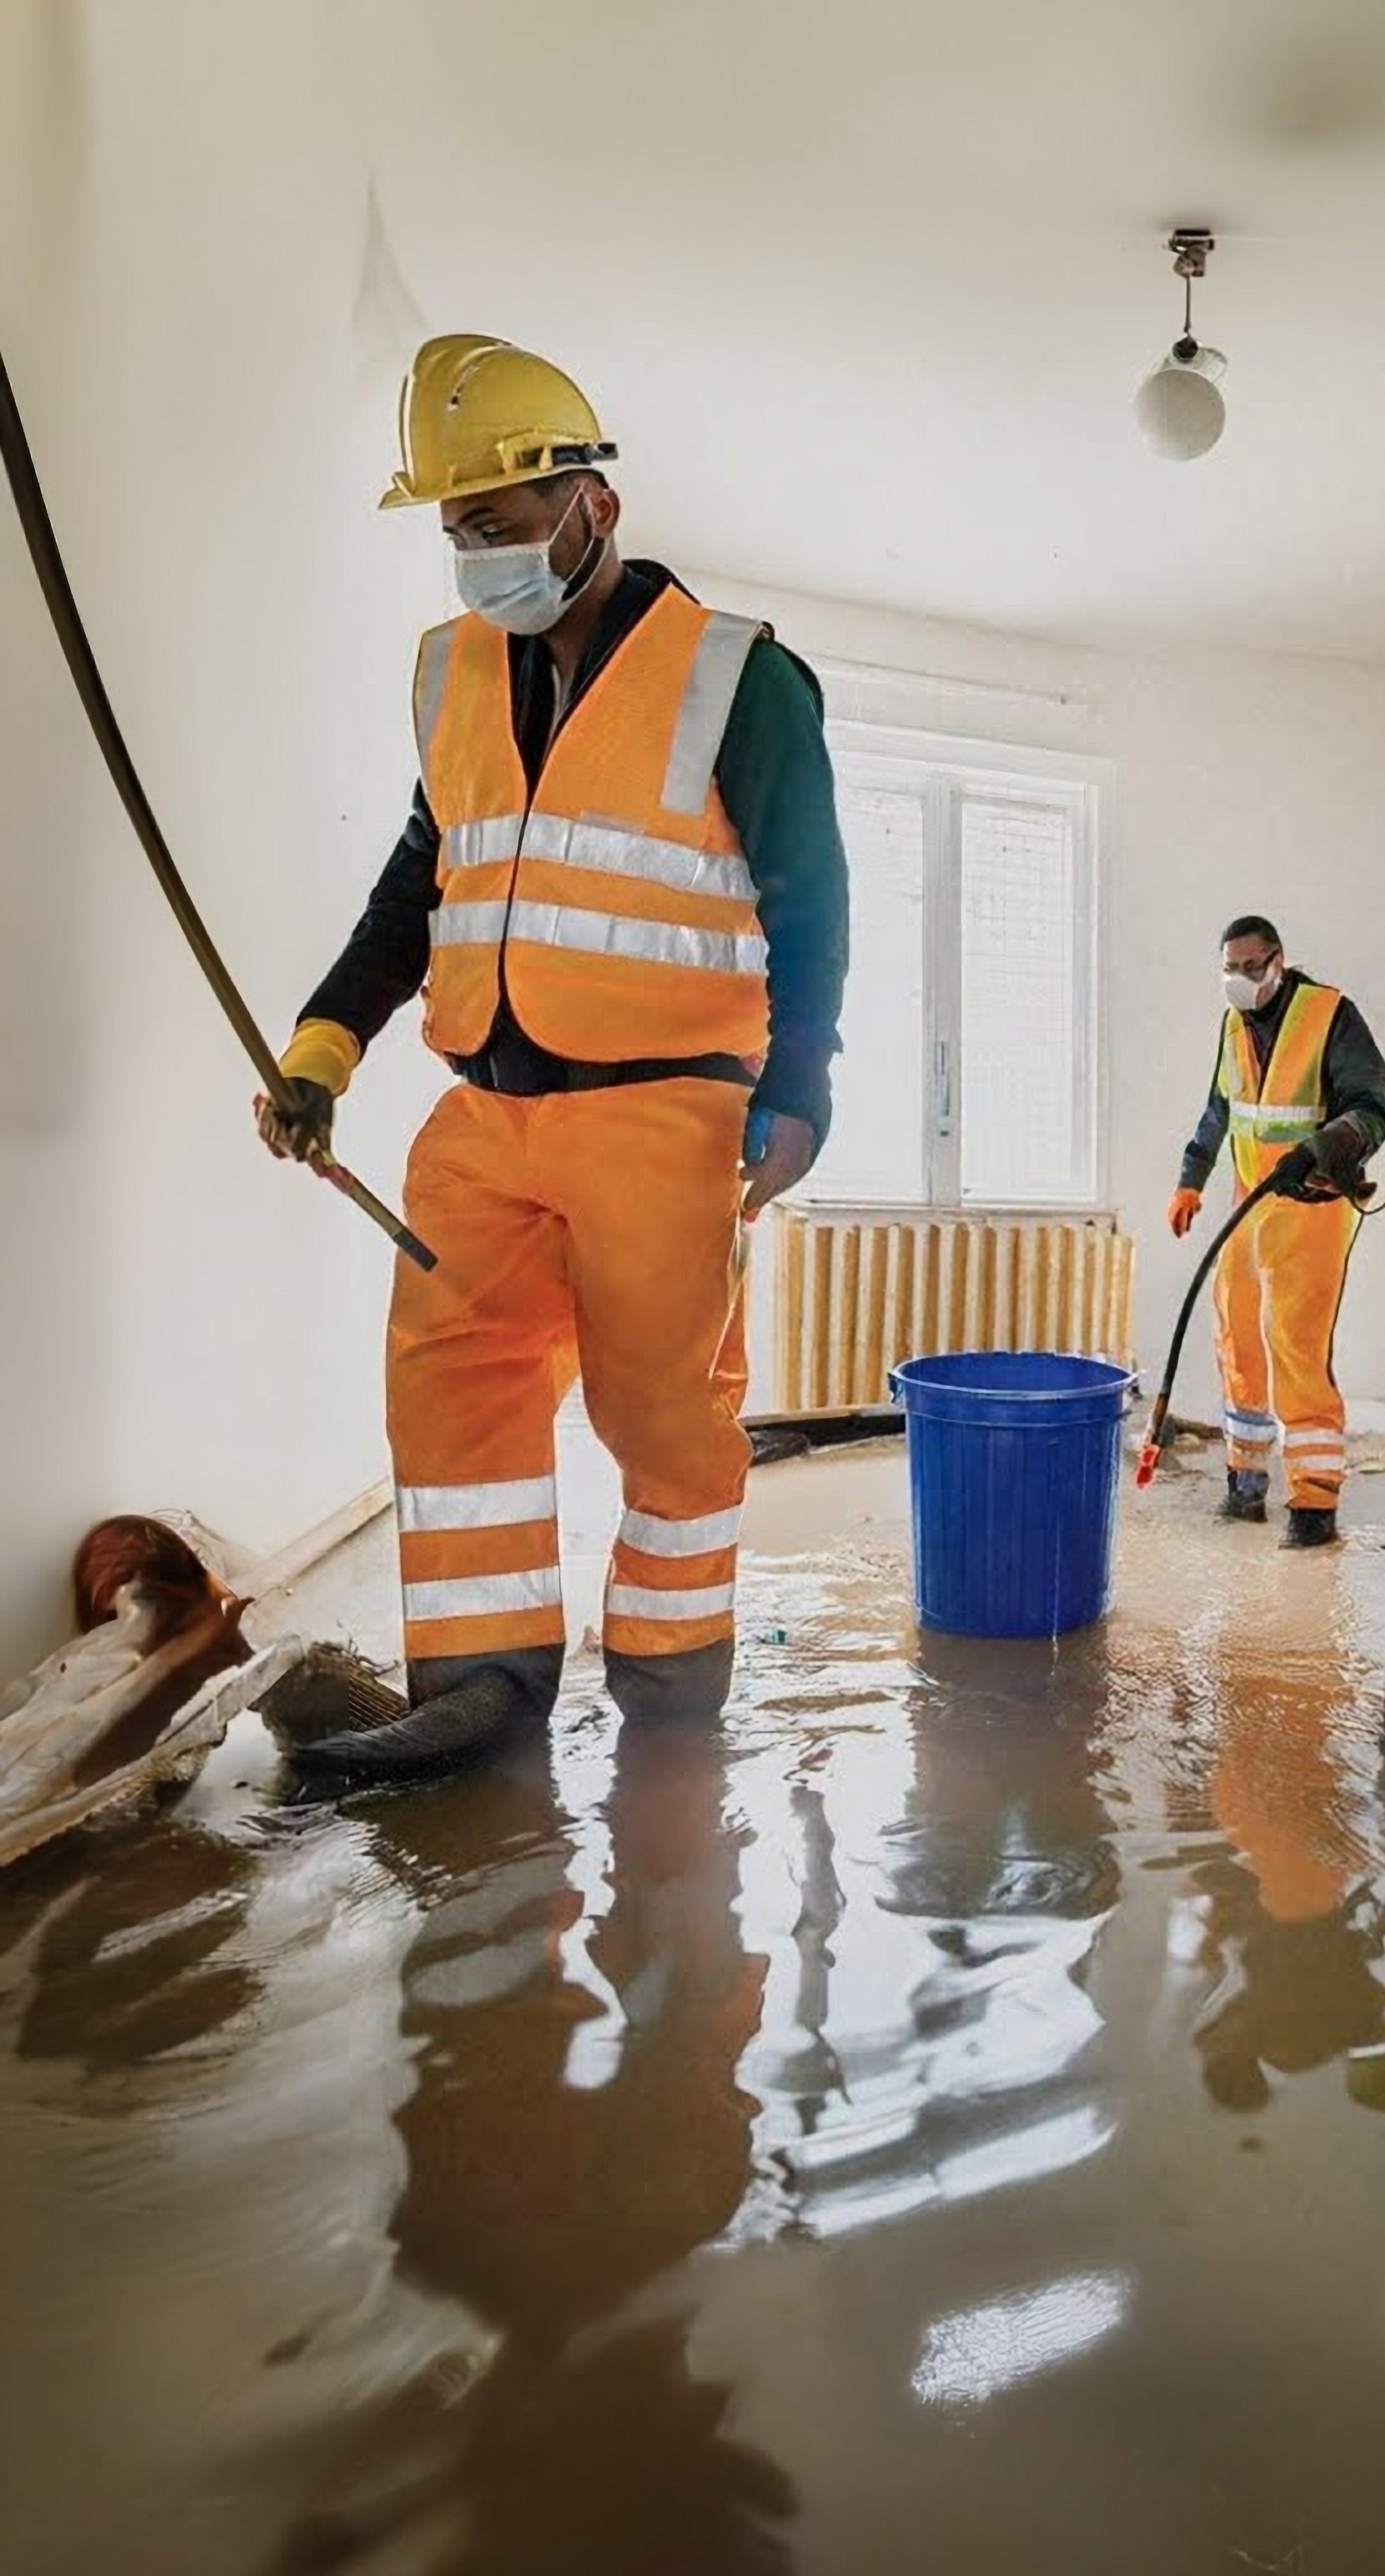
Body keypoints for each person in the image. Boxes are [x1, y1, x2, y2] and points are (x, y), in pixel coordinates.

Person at [255, 334, 849, 1745]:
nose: (480, 556)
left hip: (666, 1115)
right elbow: (420, 884)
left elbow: (810, 892)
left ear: (595, 507)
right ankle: (478, 1686)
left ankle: (665, 1676)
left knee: (663, 1416)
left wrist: (803, 1082)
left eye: (505, 527)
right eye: (460, 532)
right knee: (453, 1389)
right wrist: (324, 1045)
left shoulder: (735, 675)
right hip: (487, 1112)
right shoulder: (454, 673)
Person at [1168, 916, 1385, 1549]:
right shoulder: (1234, 1024)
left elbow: (1371, 1105)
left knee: (1295, 1342)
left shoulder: (1330, 1015)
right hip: (1249, 1202)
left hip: (1311, 1204)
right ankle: (1245, 1480)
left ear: (1278, 961)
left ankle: (1313, 1502)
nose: (1237, 980)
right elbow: (1221, 1109)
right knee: (1237, 1335)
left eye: (1248, 967)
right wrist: (1192, 1178)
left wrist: (1330, 1148)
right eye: (1228, 970)